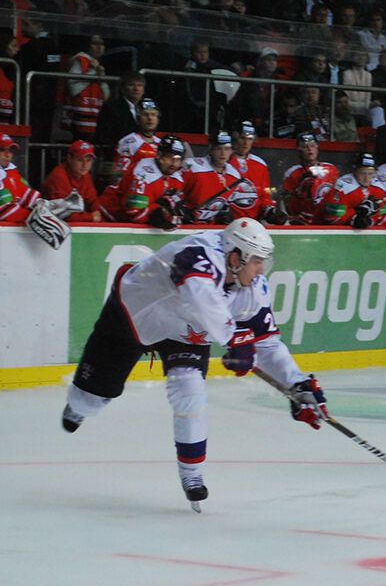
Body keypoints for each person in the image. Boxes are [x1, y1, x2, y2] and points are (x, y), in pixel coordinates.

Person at [61, 218, 331, 510]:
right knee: (93, 399)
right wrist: (234, 337)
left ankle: (192, 475)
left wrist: (296, 383)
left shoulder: (252, 287)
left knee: (190, 393)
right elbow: (199, 296)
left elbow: (266, 342)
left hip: (184, 331)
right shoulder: (197, 252)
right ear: (235, 257)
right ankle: (80, 405)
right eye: (256, 262)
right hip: (134, 316)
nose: (261, 270)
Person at [319, 151, 386, 239]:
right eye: (363, 173)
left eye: (370, 173)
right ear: (354, 171)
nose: (367, 178)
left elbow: (381, 214)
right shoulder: (344, 187)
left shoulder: (377, 188)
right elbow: (331, 218)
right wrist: (354, 217)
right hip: (333, 238)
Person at [99, 135, 187, 229]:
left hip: (128, 224)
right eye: (170, 157)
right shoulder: (143, 175)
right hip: (108, 216)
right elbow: (133, 213)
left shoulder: (177, 178)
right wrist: (159, 213)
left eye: (178, 159)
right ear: (158, 155)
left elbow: (175, 209)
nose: (174, 163)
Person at [183, 131, 260, 224]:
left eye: (227, 149)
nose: (223, 153)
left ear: (232, 151)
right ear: (211, 149)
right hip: (184, 227)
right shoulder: (193, 166)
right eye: (219, 148)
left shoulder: (234, 175)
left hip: (210, 231)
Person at [228, 121, 285, 224]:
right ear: (235, 138)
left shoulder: (260, 165)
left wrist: (270, 212)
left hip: (253, 225)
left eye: (249, 139)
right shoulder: (223, 162)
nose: (246, 143)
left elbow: (264, 197)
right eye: (242, 138)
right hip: (226, 224)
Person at [281, 132, 339, 225]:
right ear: (299, 150)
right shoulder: (292, 173)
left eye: (312, 145)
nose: (309, 149)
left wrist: (336, 218)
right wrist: (299, 190)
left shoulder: (331, 169)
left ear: (317, 147)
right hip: (304, 224)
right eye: (305, 146)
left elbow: (339, 197)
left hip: (328, 222)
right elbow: (289, 207)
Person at [41, 140, 103, 222]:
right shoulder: (58, 177)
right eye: (80, 160)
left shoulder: (84, 175)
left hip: (74, 220)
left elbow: (92, 199)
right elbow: (62, 214)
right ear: (69, 158)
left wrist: (96, 211)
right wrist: (90, 217)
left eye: (88, 160)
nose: (85, 165)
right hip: (52, 224)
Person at [63, 35, 110, 141]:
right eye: (95, 44)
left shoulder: (98, 66)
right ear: (88, 46)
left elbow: (106, 96)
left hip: (94, 115)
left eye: (102, 44)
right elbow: (73, 89)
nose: (99, 47)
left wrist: (100, 74)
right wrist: (93, 72)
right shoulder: (80, 60)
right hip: (79, 116)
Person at [95, 71, 146, 149]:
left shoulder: (146, 108)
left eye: (140, 85)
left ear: (143, 90)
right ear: (122, 89)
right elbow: (105, 137)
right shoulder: (111, 108)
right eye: (131, 85)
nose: (136, 89)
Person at [115, 98, 161, 176]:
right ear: (138, 119)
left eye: (153, 114)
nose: (150, 118)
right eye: (145, 114)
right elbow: (120, 175)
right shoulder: (128, 142)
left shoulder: (161, 143)